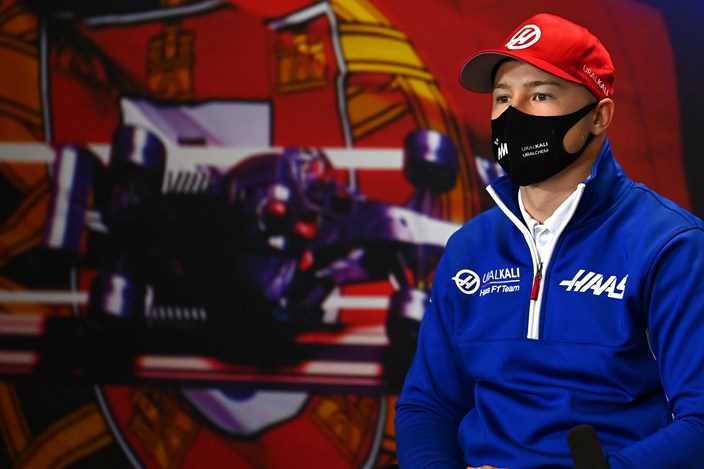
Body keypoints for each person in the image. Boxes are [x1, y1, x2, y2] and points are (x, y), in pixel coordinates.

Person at [394, 12, 704, 469]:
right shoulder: (470, 247)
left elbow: (699, 422)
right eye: (503, 97)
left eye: (540, 95)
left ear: (598, 116)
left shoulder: (671, 245)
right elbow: (427, 405)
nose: (513, 114)